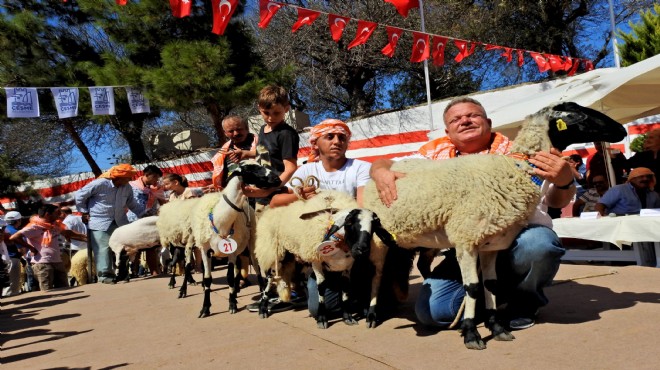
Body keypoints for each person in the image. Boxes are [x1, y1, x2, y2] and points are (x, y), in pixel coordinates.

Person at [370, 97, 574, 330]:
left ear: (488, 122)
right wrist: (379, 170)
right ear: (448, 131)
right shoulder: (435, 156)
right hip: (466, 248)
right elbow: (389, 162)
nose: (465, 121)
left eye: (472, 115)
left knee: (539, 244)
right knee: (434, 314)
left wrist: (564, 182)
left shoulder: (522, 152)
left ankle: (524, 301)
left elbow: (555, 202)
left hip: (517, 243)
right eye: (456, 119)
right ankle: (490, 301)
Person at [269, 119, 372, 317]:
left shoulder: (359, 168)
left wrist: (348, 239)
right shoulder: (307, 170)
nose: (336, 141)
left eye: (342, 137)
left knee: (366, 304)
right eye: (329, 137)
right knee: (319, 310)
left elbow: (362, 208)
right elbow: (275, 202)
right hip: (320, 252)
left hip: (350, 245)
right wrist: (300, 195)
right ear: (316, 143)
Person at [74, 164, 144, 284]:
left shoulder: (127, 187)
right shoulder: (100, 184)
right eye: (128, 177)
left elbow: (132, 203)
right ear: (118, 177)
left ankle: (123, 273)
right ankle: (105, 276)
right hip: (100, 222)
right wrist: (84, 212)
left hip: (120, 221)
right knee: (103, 249)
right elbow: (79, 196)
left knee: (124, 248)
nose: (130, 180)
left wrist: (145, 213)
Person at [241, 85, 299, 209]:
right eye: (266, 113)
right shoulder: (263, 129)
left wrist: (269, 190)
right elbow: (265, 152)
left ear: (287, 109)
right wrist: (246, 153)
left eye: (276, 113)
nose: (270, 117)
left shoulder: (286, 134)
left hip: (277, 196)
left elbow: (290, 168)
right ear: (259, 109)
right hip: (261, 193)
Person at [9, 204, 86, 291]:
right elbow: (14, 237)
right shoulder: (33, 226)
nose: (59, 215)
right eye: (56, 213)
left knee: (65, 289)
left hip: (58, 261)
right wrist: (31, 248)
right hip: (43, 264)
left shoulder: (54, 225)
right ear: (47, 214)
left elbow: (68, 233)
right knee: (47, 291)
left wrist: (86, 238)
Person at [127, 165, 166, 276]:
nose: (156, 180)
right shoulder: (131, 186)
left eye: (157, 178)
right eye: (154, 177)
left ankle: (154, 271)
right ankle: (133, 272)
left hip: (150, 221)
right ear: (146, 175)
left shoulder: (156, 188)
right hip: (134, 221)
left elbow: (162, 201)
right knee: (135, 247)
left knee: (151, 247)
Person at [207, 115, 258, 192]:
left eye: (239, 129)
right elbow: (223, 174)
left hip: (257, 192)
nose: (236, 133)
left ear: (246, 128)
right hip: (233, 194)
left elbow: (274, 155)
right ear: (225, 133)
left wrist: (248, 153)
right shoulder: (223, 151)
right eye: (231, 131)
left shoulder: (261, 142)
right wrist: (217, 185)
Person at [595, 167, 660, 216]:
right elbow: (600, 205)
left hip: (645, 225)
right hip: (620, 225)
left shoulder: (653, 194)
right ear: (632, 179)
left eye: (648, 177)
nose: (645, 179)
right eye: (641, 177)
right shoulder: (619, 189)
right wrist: (602, 220)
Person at [2, 211, 24, 296]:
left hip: (4, 259)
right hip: (13, 259)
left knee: (5, 282)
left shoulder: (5, 229)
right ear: (17, 221)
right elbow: (21, 250)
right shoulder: (15, 232)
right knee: (12, 285)